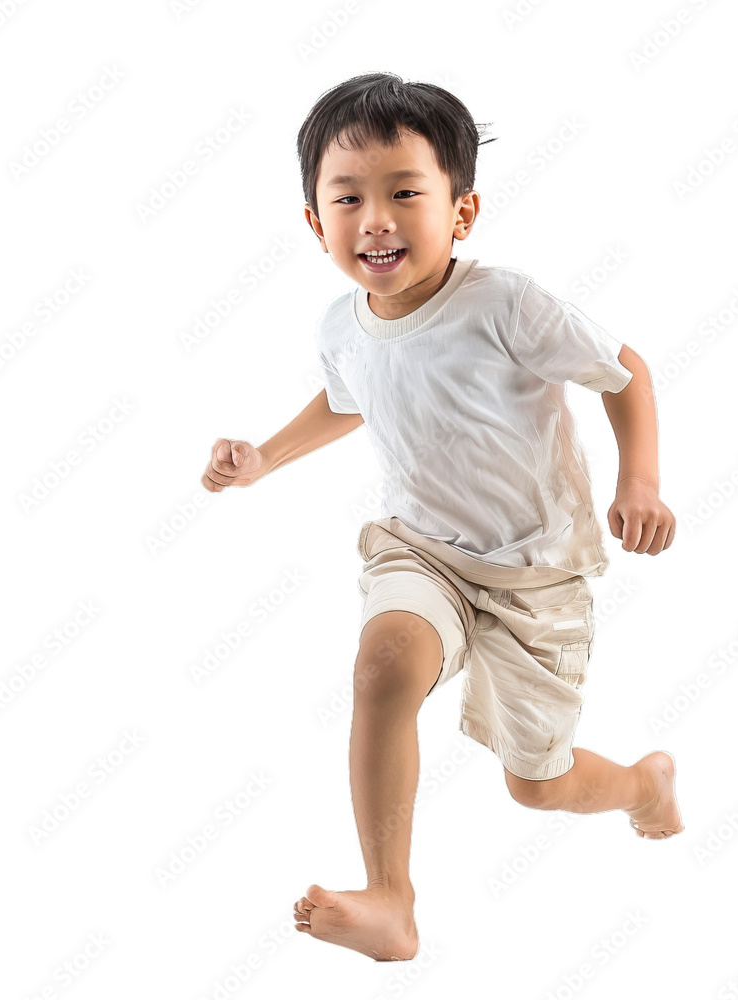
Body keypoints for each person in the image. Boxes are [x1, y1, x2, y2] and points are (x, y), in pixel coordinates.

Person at [200, 71, 683, 963]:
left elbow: (627, 373)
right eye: (347, 199)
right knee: (382, 666)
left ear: (460, 212)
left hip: (535, 576)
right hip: (421, 551)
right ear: (316, 223)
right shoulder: (343, 323)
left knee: (537, 787)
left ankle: (643, 788)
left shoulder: (504, 304)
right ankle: (391, 898)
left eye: (404, 193)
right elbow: (348, 399)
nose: (375, 219)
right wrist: (265, 456)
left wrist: (640, 482)